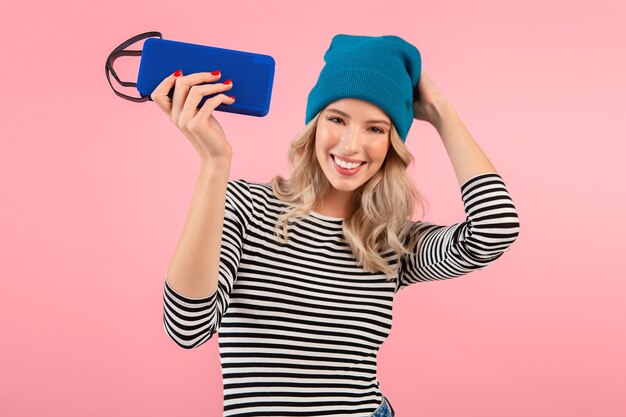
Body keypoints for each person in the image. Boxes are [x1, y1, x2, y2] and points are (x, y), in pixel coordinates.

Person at [153, 34, 520, 417]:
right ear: (314, 123)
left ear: (392, 144)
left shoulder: (389, 240)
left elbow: (495, 229)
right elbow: (187, 329)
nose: (349, 145)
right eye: (337, 119)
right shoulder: (245, 207)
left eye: (375, 129)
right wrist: (214, 164)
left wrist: (443, 113)